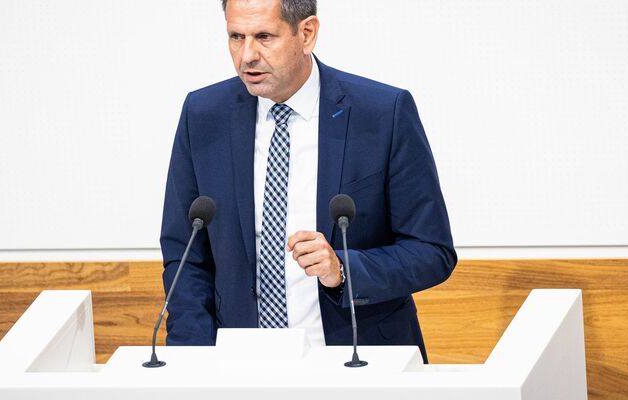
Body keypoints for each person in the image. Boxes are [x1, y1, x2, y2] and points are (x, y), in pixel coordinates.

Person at [160, 0, 456, 363]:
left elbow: (431, 251)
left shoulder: (381, 113)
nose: (246, 55)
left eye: (264, 36)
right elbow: (184, 253)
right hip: (242, 367)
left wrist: (343, 270)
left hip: (359, 361)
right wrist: (191, 361)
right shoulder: (203, 115)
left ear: (307, 33)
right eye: (236, 36)